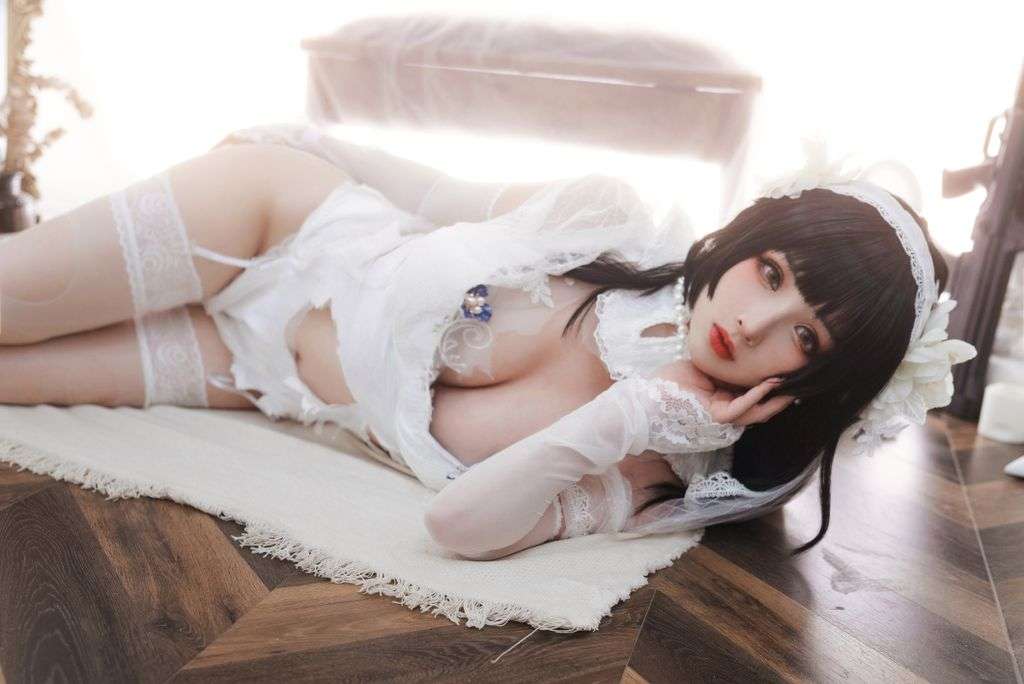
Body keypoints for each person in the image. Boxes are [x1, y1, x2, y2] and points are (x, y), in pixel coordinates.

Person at [0, 124, 975, 561]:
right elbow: (425, 190)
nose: (752, 321)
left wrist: (628, 415)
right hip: (273, 224)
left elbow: (457, 528)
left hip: (251, 374)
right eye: (770, 272)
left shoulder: (657, 464)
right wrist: (296, 141)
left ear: (821, 382)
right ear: (749, 239)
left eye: (802, 333)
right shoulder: (613, 222)